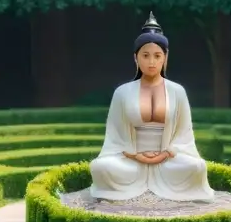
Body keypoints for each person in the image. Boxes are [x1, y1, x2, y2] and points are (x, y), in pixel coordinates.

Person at [89, 13, 214, 202]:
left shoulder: (177, 91)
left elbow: (184, 135)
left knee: (196, 167)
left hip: (168, 159)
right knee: (101, 167)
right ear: (135, 58)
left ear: (166, 57)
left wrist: (163, 154)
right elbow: (115, 136)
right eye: (145, 56)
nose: (151, 62)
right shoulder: (122, 92)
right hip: (131, 160)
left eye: (157, 56)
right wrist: (137, 155)